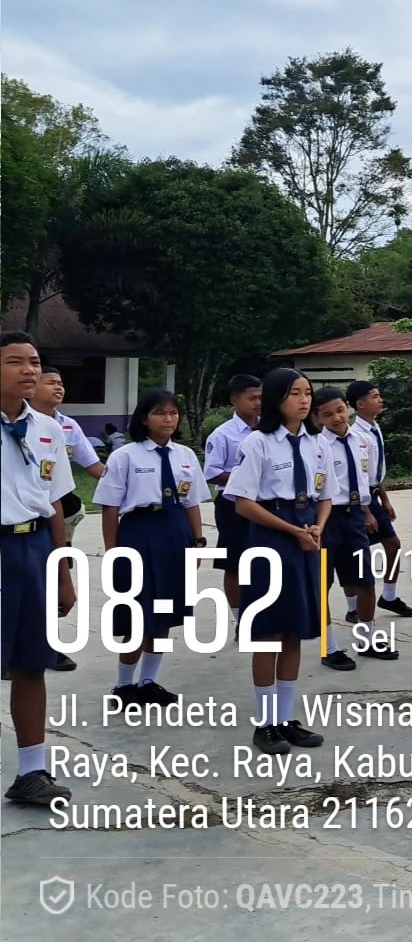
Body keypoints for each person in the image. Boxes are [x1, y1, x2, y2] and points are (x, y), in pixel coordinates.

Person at [225, 368, 330, 755]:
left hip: (306, 538)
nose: (304, 400)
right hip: (272, 539)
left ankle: (286, 718)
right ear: (275, 399)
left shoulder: (317, 443)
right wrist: (292, 530)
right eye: (294, 393)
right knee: (268, 632)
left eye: (307, 392)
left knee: (295, 631)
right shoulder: (258, 443)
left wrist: (316, 527)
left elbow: (326, 496)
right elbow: (244, 502)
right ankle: (266, 723)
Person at [93, 389, 209, 708]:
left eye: (173, 413)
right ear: (144, 418)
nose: (168, 419)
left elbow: (192, 502)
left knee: (165, 613)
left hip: (175, 532)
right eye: (160, 413)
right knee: (136, 613)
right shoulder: (126, 456)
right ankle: (123, 685)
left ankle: (149, 681)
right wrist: (113, 551)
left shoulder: (185, 456)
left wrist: (198, 542)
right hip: (139, 532)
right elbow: (109, 507)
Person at [0, 331, 77, 806]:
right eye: (15, 362)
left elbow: (54, 507)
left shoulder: (47, 429)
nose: (29, 370)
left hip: (32, 553)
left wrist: (63, 573)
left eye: (34, 361)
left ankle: (32, 772)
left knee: (32, 664)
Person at [31, 366, 105, 672]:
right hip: (15, 516)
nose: (58, 388)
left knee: (51, 580)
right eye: (50, 383)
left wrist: (128, 483)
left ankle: (47, 646)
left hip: (57, 513)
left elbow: (93, 466)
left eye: (61, 383)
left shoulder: (67, 427)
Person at [314, 387, 391, 672]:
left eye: (339, 410)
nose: (336, 418)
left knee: (366, 581)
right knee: (323, 584)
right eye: (327, 414)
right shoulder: (316, 445)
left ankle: (367, 639)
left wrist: (368, 511)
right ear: (318, 417)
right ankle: (329, 646)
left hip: (355, 516)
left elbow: (366, 480)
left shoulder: (363, 439)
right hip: (327, 518)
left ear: (348, 407)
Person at [348, 380, 412, 618]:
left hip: (374, 493)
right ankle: (353, 606)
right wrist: (366, 511)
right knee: (354, 553)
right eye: (375, 396)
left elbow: (375, 471)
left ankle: (389, 595)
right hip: (360, 499)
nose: (380, 400)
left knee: (392, 544)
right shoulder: (355, 435)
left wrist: (385, 499)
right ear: (360, 404)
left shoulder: (374, 428)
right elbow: (358, 475)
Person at [204, 373, 263, 631]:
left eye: (261, 397)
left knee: (261, 559)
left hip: (262, 504)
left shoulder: (268, 430)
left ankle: (261, 612)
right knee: (235, 563)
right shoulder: (223, 435)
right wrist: (245, 476)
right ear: (234, 401)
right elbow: (212, 472)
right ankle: (241, 619)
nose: (258, 403)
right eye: (252, 398)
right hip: (232, 503)